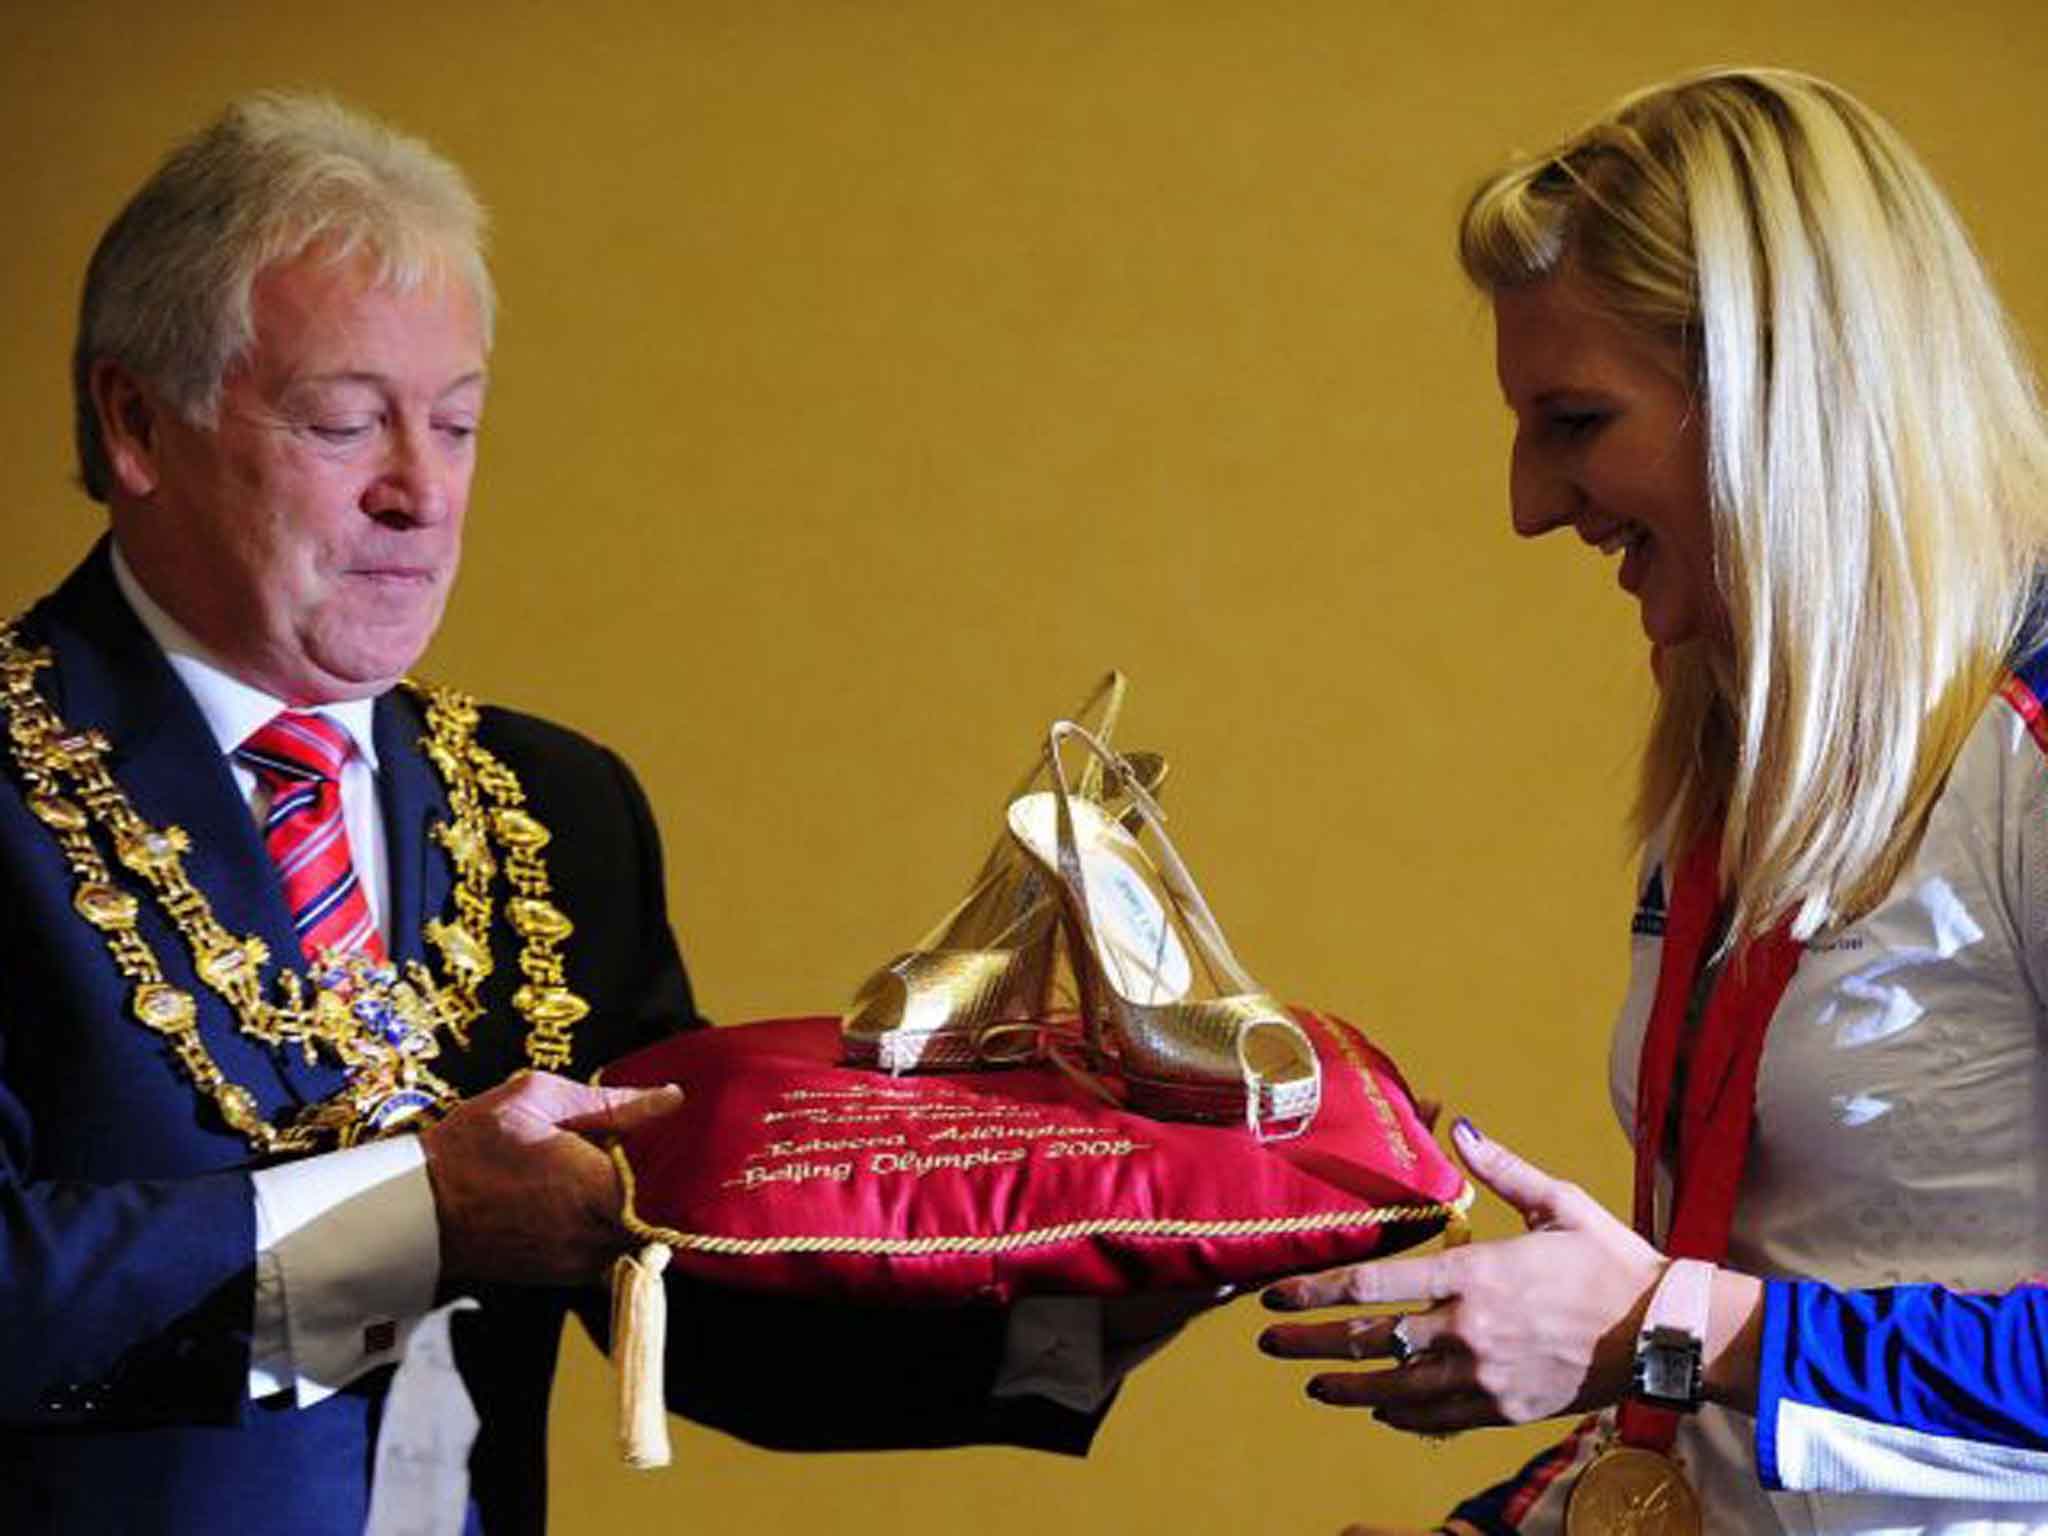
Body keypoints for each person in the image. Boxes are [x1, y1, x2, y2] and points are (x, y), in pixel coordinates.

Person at [0, 93, 1116, 1536]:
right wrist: (416, 1217)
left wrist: (1089, 1291)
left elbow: (680, 1284)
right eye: (346, 422)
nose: (422, 491)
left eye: (455, 423)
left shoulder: (556, 803)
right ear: (136, 420)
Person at [1258, 67, 2048, 1533]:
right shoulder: (1746, 753)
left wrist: (1659, 1329)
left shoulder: (2027, 749)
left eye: (1573, 419)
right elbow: (1746, 1409)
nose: (1527, 502)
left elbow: (1707, 1336)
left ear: (1782, 390)